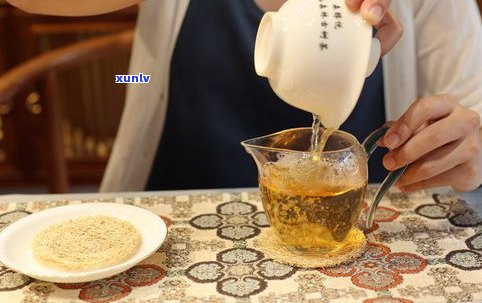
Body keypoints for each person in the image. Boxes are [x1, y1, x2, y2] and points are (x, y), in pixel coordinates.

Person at [7, 0, 482, 193]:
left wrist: (468, 144)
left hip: (352, 239)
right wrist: (133, 81)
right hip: (179, 226)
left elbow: (472, 111)